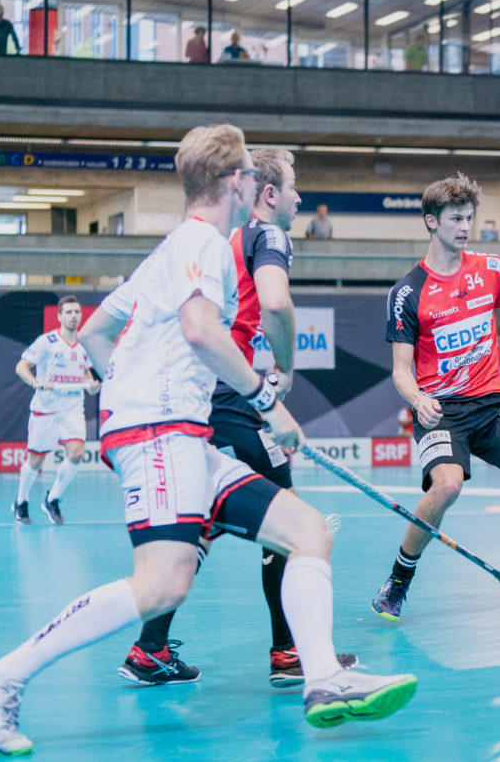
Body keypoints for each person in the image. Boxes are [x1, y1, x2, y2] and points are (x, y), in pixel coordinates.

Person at [0, 126, 416, 757]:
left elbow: (101, 331)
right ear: (236, 182)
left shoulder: (171, 251)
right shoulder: (203, 245)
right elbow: (199, 330)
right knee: (160, 585)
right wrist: (269, 403)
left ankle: (323, 680)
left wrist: (127, 392)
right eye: (247, 173)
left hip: (178, 432)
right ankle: (0, 677)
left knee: (307, 531)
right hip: (162, 432)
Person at [114, 148, 355, 688]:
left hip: (200, 397)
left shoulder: (212, 240)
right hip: (231, 397)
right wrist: (283, 374)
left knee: (207, 520)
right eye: (293, 186)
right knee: (290, 526)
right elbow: (275, 303)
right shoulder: (269, 236)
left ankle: (149, 649)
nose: (299, 196)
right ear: (268, 194)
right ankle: (290, 655)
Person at [370, 174, 500, 628]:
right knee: (446, 487)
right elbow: (401, 371)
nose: (464, 227)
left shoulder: (492, 269)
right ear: (431, 222)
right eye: (455, 218)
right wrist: (417, 398)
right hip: (440, 409)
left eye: (469, 218)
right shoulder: (407, 293)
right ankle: (399, 578)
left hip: (491, 402)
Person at [11, 295, 99, 525]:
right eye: (68, 312)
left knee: (77, 454)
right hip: (46, 408)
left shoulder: (83, 345)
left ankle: (52, 499)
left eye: (76, 312)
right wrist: (36, 382)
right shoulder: (46, 342)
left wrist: (90, 385)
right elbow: (21, 366)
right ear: (59, 316)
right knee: (35, 461)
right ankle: (21, 502)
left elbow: (86, 372)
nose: (73, 316)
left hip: (72, 407)